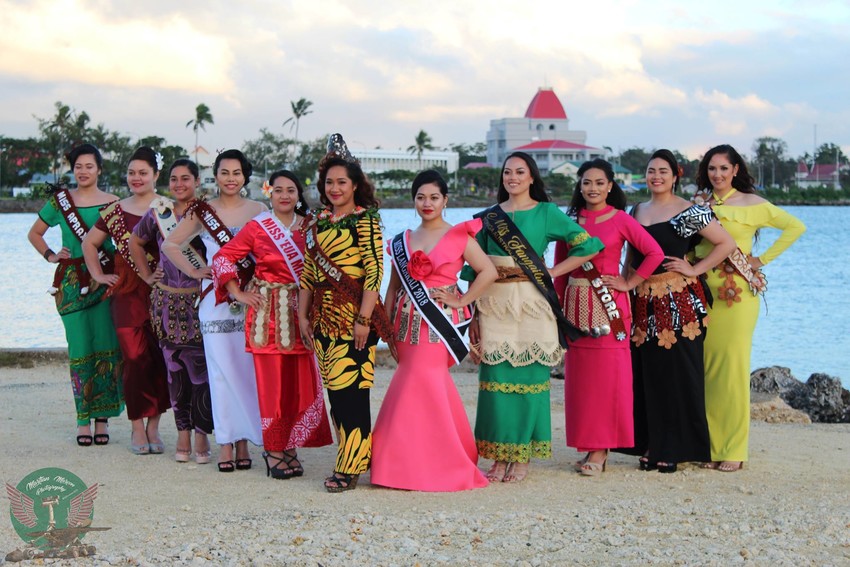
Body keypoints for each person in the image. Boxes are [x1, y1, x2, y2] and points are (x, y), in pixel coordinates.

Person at [462, 151, 603, 483]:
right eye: (507, 172)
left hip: (533, 302)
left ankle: (522, 455)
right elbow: (473, 269)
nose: (512, 177)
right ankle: (498, 455)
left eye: (519, 172)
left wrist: (554, 270)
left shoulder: (546, 212)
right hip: (494, 303)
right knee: (494, 381)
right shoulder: (488, 218)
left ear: (531, 178)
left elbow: (589, 247)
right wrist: (472, 316)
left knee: (531, 379)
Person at [371, 170, 498, 492]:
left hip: (439, 325)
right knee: (420, 383)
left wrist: (463, 300)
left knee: (423, 382)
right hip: (405, 323)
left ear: (445, 200)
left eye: (434, 197)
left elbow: (488, 272)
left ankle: (433, 461)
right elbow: (393, 288)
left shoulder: (459, 236)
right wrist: (386, 326)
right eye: (421, 197)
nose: (427, 203)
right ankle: (410, 459)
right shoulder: (402, 240)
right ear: (414, 200)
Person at [614, 150, 735, 473]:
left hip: (678, 299)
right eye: (651, 171)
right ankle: (651, 443)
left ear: (675, 176)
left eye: (663, 172)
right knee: (647, 373)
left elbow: (726, 244)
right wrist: (625, 286)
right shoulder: (636, 209)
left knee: (679, 373)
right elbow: (630, 256)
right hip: (642, 299)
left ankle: (677, 448)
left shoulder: (688, 211)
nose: (656, 177)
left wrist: (694, 269)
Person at [212, 170, 333, 479]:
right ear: (270, 194)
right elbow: (223, 259)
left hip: (301, 314)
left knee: (297, 383)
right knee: (271, 384)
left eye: (290, 190)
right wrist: (238, 292)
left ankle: (290, 445)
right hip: (267, 315)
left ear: (298, 195)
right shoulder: (257, 227)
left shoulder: (310, 227)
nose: (284, 196)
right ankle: (273, 449)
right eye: (278, 190)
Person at [694, 144, 805, 472]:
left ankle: (733, 448)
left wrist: (761, 259)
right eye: (712, 169)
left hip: (736, 297)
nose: (717, 175)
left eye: (724, 169)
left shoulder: (752, 203)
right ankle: (710, 444)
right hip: (700, 294)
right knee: (706, 370)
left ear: (736, 170)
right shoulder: (699, 205)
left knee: (731, 371)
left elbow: (796, 227)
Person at [555, 158, 664, 476]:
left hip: (610, 309)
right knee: (582, 382)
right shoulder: (570, 220)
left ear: (610, 186)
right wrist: (557, 309)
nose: (592, 188)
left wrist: (629, 282)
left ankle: (601, 451)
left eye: (599, 183)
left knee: (607, 381)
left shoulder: (620, 219)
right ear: (579, 186)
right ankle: (588, 444)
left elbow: (654, 252)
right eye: (586, 182)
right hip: (575, 307)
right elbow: (561, 268)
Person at [298, 134, 394, 493]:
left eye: (342, 182)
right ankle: (350, 455)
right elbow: (308, 273)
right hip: (322, 319)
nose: (335, 187)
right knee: (335, 394)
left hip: (353, 319)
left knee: (351, 393)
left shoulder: (365, 220)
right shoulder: (318, 222)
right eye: (329, 182)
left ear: (355, 185)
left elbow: (374, 272)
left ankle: (350, 466)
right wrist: (304, 317)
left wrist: (364, 320)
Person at [162, 149, 265, 473]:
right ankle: (225, 442)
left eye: (237, 173)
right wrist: (196, 271)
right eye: (224, 172)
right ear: (215, 175)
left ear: (245, 176)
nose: (231, 178)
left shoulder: (259, 210)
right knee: (219, 372)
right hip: (215, 303)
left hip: (250, 298)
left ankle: (245, 439)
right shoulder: (202, 211)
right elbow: (170, 244)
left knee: (247, 371)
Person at [27, 143, 124, 446]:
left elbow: (125, 243)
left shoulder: (113, 203)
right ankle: (83, 418)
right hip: (72, 286)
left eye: (89, 166)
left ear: (99, 169)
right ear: (72, 169)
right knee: (80, 348)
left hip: (106, 282)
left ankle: (103, 418)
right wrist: (51, 255)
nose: (83, 172)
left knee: (107, 346)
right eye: (78, 167)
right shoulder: (60, 203)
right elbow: (34, 233)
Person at [82, 146, 170, 455]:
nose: (136, 178)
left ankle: (154, 427)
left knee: (159, 358)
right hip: (126, 292)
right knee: (132, 358)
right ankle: (136, 425)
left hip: (163, 293)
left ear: (156, 176)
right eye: (132, 172)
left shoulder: (168, 209)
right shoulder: (115, 211)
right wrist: (99, 275)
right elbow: (89, 243)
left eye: (143, 173)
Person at [128, 158, 213, 464]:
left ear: (197, 182)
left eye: (186, 179)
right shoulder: (158, 213)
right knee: (174, 372)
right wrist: (146, 274)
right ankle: (182, 432)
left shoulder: (208, 213)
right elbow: (135, 242)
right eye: (174, 179)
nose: (179, 185)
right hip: (167, 303)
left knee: (201, 373)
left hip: (201, 302)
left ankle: (202, 431)